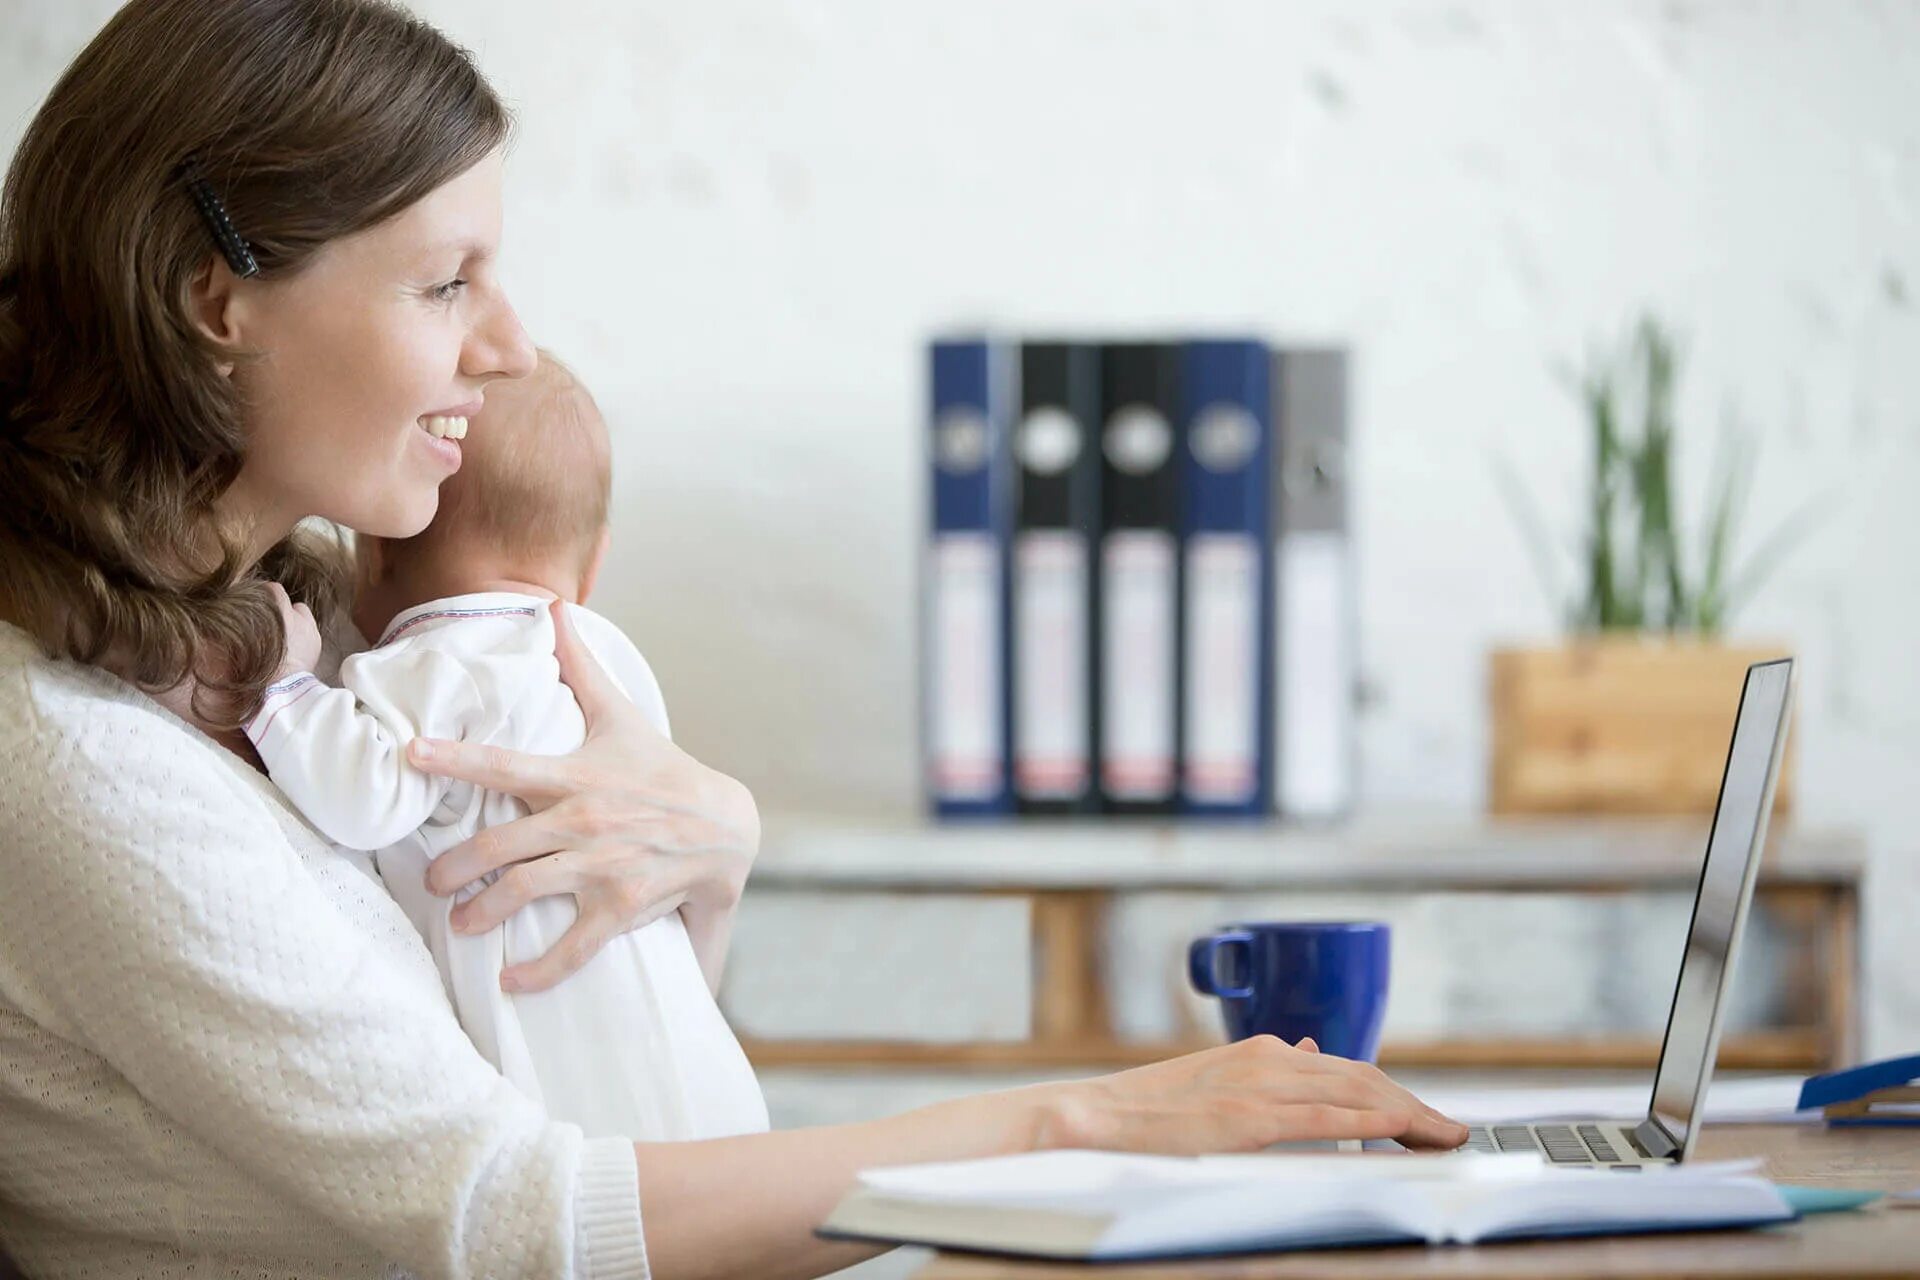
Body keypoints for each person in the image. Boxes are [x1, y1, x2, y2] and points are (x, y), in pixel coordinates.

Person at [0, 2, 1467, 1278]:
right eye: (447, 281)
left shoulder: (310, 642)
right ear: (217, 303)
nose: (505, 346)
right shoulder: (70, 764)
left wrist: (708, 854)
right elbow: (526, 1219)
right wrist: (1083, 1120)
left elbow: (547, 1058)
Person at [251, 351, 768, 1143]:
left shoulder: (436, 658)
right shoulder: (620, 674)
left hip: (564, 1095)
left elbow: (362, 796)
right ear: (594, 566)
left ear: (377, 552)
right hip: (711, 1088)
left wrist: (281, 688)